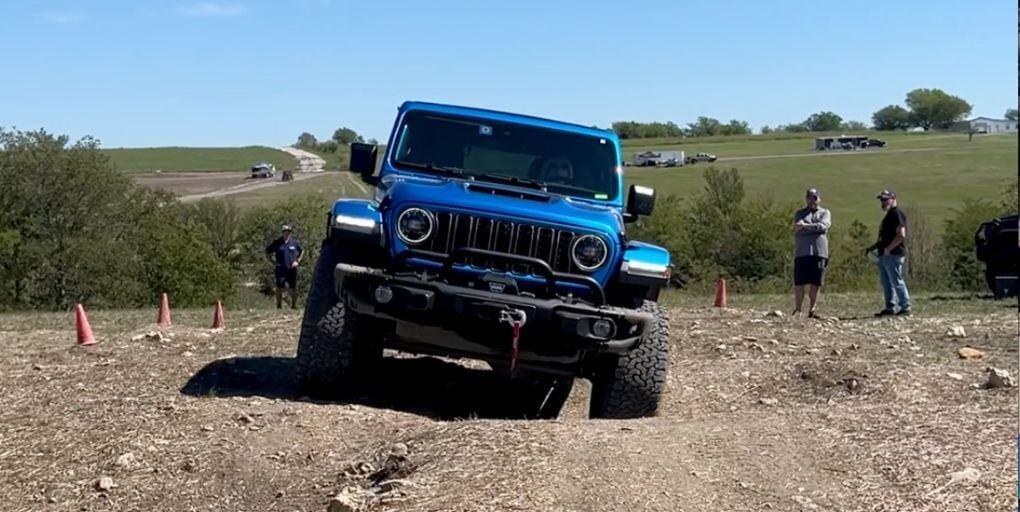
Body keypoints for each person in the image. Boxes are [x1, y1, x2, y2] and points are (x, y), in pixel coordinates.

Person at [866, 190, 911, 316]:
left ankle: (905, 306)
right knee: (887, 282)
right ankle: (890, 307)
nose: (883, 202)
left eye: (886, 199)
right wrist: (874, 247)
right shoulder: (890, 215)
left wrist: (889, 248)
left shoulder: (897, 213)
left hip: (893, 254)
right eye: (882, 200)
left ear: (893, 199)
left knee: (896, 280)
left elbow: (901, 235)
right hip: (885, 254)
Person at [791, 188, 831, 317]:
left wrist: (806, 226)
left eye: (814, 198)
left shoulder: (825, 212)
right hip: (802, 252)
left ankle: (812, 309)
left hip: (819, 252)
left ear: (819, 199)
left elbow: (823, 226)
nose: (811, 201)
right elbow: (797, 227)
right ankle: (798, 309)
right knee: (799, 282)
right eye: (809, 198)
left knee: (816, 282)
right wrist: (813, 228)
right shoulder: (800, 213)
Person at [265, 224, 304, 309]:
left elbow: (302, 251)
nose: (287, 233)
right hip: (280, 269)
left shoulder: (294, 243)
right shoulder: (277, 243)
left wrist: (298, 261)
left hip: (291, 269)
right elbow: (267, 251)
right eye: (285, 231)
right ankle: (279, 306)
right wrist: (271, 261)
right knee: (279, 288)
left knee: (293, 288)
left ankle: (294, 306)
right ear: (282, 232)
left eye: (288, 232)